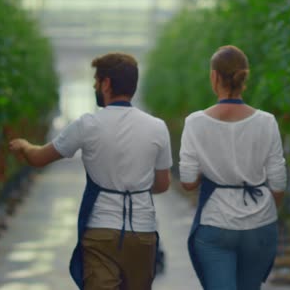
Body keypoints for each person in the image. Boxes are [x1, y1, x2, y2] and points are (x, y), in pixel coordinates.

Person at [9, 53, 172, 290]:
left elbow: (39, 157)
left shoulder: (88, 124)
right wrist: (135, 185)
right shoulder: (157, 127)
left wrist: (24, 145)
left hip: (101, 232)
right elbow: (163, 184)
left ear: (106, 84)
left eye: (96, 80)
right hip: (143, 232)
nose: (94, 85)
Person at [179, 45, 287, 290]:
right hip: (260, 224)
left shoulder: (196, 123)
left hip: (216, 222)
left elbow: (187, 182)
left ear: (214, 76)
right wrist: (262, 210)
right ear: (244, 77)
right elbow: (279, 183)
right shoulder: (266, 121)